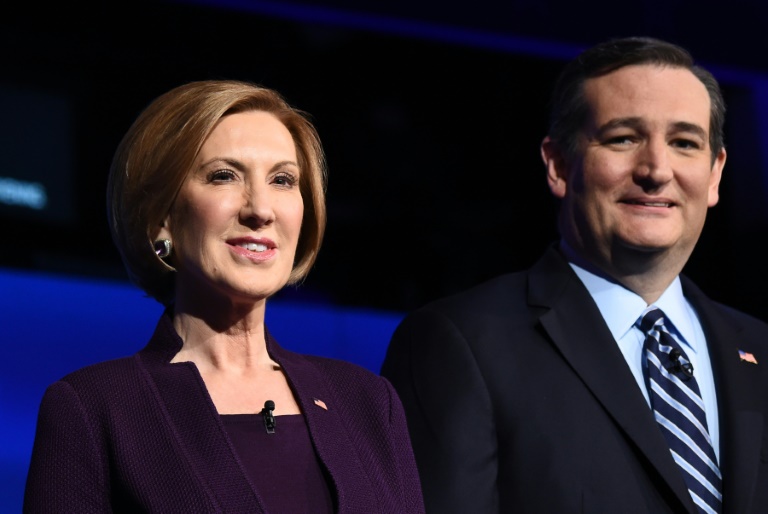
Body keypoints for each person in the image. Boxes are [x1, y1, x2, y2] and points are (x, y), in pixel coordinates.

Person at [381, 36, 768, 513]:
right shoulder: (459, 343)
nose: (656, 169)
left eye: (684, 143)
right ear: (559, 165)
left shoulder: (762, 350)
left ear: (714, 175)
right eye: (623, 138)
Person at [24, 80, 424, 513]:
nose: (260, 209)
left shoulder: (367, 403)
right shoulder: (97, 409)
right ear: (161, 218)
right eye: (224, 176)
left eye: (283, 180)